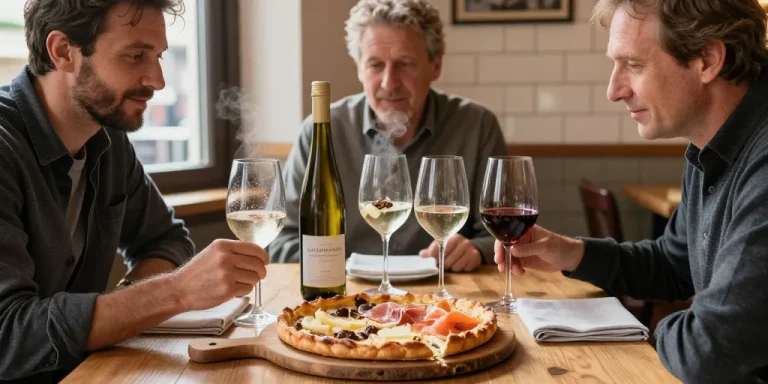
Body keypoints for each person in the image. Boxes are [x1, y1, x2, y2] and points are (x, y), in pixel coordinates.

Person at [493, 0, 768, 382]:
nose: (613, 90)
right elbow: (674, 265)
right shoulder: (709, 147)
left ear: (707, 59)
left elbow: (710, 351)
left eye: (634, 65)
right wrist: (571, 253)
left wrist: (642, 330)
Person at [0, 1, 268, 382]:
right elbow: (9, 335)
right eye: (135, 55)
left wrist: (129, 307)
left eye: (157, 56)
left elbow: (166, 239)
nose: (158, 80)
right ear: (61, 51)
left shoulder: (106, 137)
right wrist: (174, 293)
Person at [270, 0, 507, 272]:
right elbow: (282, 240)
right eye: (375, 65)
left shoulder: (477, 126)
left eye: (405, 64)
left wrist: (477, 249)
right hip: (343, 294)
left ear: (436, 66)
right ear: (359, 68)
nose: (389, 83)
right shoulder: (321, 131)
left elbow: (502, 234)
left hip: (446, 295)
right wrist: (345, 266)